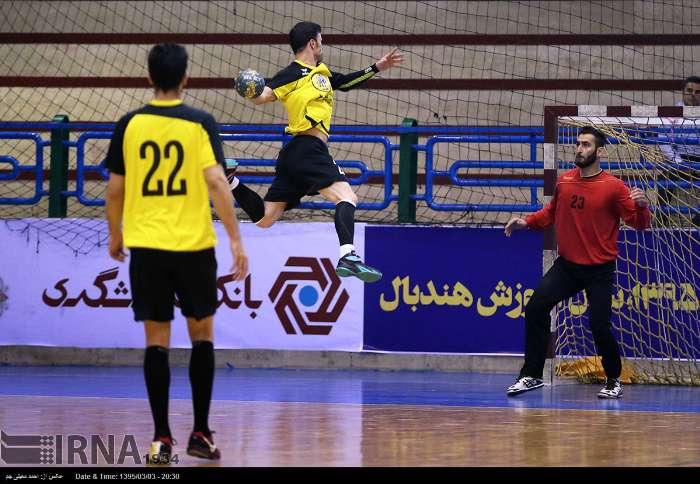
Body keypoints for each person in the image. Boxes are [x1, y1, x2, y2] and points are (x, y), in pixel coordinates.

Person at [105, 43, 248, 463]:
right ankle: (200, 433)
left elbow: (115, 189)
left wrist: (115, 235)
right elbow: (217, 183)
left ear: (149, 77)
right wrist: (236, 239)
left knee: (157, 342)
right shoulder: (200, 123)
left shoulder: (129, 124)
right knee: (202, 337)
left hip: (147, 247)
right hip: (193, 247)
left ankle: (161, 440)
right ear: (186, 78)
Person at [228, 21, 403, 282]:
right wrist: (248, 89)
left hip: (294, 155)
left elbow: (345, 82)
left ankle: (230, 180)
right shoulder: (292, 73)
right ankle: (348, 256)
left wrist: (377, 67)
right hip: (307, 148)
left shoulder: (322, 73)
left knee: (265, 218)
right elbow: (263, 95)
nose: (323, 44)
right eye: (321, 40)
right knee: (347, 197)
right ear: (312, 43)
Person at [504, 126, 651, 399]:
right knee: (535, 308)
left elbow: (640, 224)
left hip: (599, 270)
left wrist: (642, 207)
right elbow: (551, 213)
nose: (579, 149)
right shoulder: (565, 181)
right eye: (578, 144)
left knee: (598, 325)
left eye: (586, 144)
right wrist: (527, 222)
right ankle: (531, 375)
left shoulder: (614, 188)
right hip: (568, 267)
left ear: (599, 151)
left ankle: (613, 379)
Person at [657, 76, 700, 226]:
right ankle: (661, 222)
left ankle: (697, 221)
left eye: (697, 92)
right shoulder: (672, 113)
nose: (693, 94)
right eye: (689, 90)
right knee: (663, 179)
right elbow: (663, 141)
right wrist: (679, 163)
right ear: (683, 92)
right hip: (679, 160)